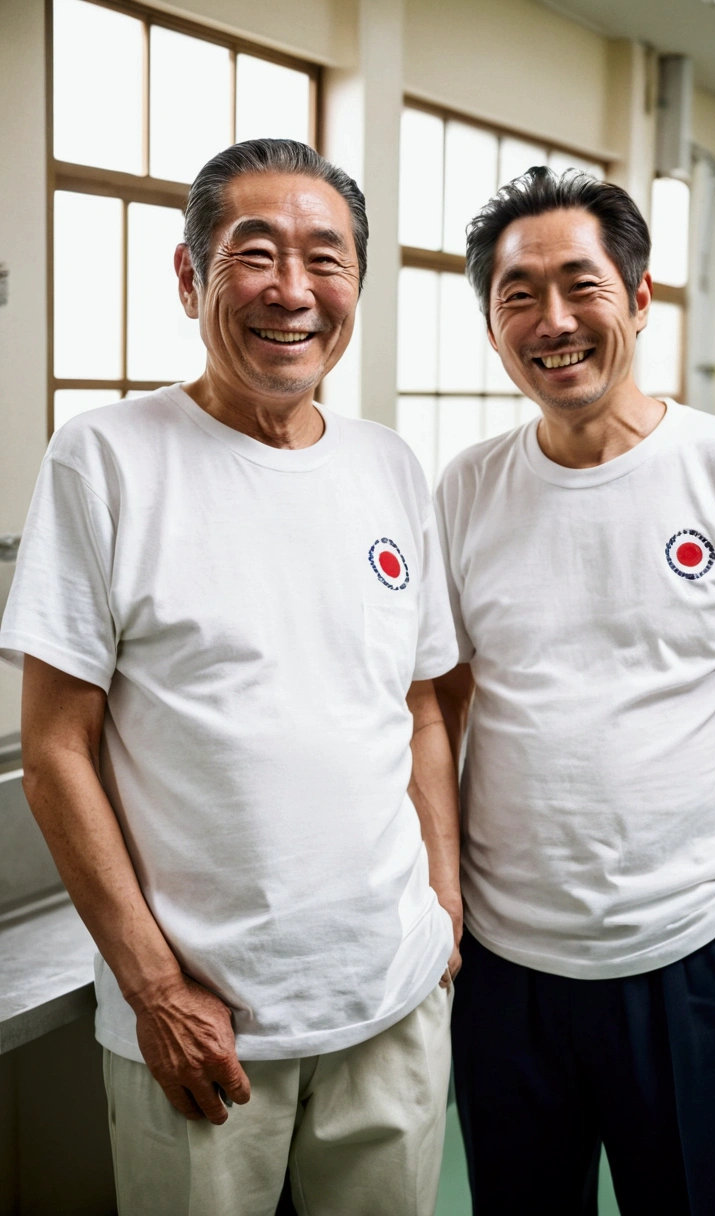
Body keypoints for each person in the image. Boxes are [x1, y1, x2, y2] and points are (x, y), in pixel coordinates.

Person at [0, 139, 462, 1216]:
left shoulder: (387, 464)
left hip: (392, 996)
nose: (291, 291)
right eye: (255, 254)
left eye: (324, 258)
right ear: (189, 277)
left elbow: (419, 706)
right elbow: (58, 747)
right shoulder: (107, 457)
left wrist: (440, 902)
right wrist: (155, 986)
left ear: (355, 283)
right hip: (206, 1020)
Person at [433, 167, 715, 1216]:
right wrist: (443, 895)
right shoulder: (465, 486)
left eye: (580, 285)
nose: (552, 321)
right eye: (518, 295)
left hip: (688, 949)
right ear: (491, 323)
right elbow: (448, 700)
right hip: (507, 966)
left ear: (640, 298)